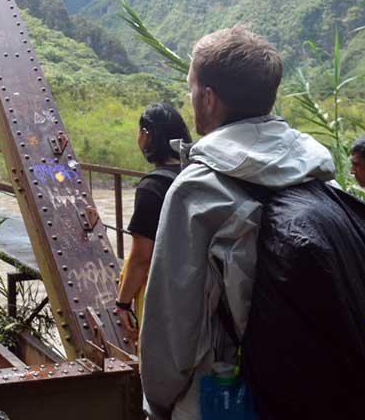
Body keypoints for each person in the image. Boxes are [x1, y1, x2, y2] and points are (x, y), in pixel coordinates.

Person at [139, 26, 336, 420]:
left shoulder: (198, 189)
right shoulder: (320, 173)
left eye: (192, 87)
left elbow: (171, 323)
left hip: (221, 400)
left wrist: (159, 403)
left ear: (208, 98)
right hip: (315, 389)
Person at [116, 103, 191, 345]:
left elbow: (141, 257)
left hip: (163, 294)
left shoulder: (152, 187)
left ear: (147, 134)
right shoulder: (197, 174)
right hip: (197, 287)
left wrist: (123, 303)